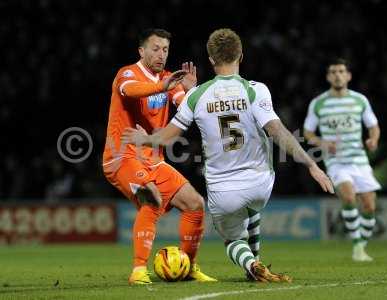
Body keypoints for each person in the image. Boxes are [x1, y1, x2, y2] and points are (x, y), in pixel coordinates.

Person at [122, 28, 334, 282]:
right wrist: (311, 165)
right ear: (241, 56)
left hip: (224, 191)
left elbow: (168, 136)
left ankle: (249, 263)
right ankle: (254, 264)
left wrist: (145, 139)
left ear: (211, 60)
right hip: (261, 184)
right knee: (252, 208)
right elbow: (278, 131)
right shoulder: (256, 90)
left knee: (232, 239)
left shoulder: (196, 96)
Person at [102, 28, 216, 284]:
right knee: (151, 198)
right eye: (155, 48)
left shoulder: (168, 79)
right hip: (122, 157)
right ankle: (138, 270)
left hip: (153, 159)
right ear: (141, 51)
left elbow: (185, 107)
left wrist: (191, 92)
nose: (161, 54)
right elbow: (131, 91)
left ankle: (187, 267)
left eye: (165, 49)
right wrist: (161, 86)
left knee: (195, 204)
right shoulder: (127, 74)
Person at [304, 58, 381, 262]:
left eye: (341, 71)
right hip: (336, 162)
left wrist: (373, 139)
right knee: (348, 197)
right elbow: (307, 132)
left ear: (348, 76)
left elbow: (373, 125)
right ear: (328, 77)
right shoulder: (319, 103)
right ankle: (357, 247)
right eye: (333, 72)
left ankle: (361, 245)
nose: (337, 75)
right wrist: (322, 143)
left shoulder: (360, 100)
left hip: (359, 160)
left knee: (370, 206)